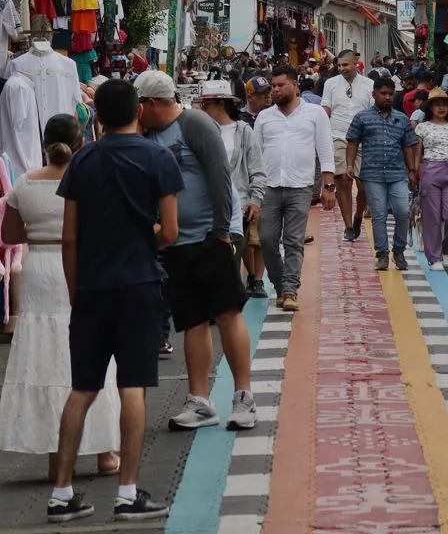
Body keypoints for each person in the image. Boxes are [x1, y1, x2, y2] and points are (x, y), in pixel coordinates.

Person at [48, 79, 179, 522]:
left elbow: (68, 238)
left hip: (90, 289)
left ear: (96, 117)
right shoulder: (158, 158)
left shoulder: (82, 160)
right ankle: (127, 493)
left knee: (82, 388)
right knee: (133, 387)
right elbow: (171, 231)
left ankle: (62, 493)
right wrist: (146, 243)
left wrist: (74, 288)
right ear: (139, 111)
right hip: (139, 286)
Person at [132, 71, 259, 432]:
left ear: (152, 103)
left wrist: (222, 231)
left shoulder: (195, 123)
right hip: (175, 239)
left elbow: (219, 174)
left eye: (140, 106)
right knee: (191, 319)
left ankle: (244, 396)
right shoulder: (148, 133)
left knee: (227, 311)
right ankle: (199, 401)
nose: (137, 113)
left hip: (210, 233)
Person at [0, 115, 120, 480]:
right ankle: (104, 452)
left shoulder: (24, 184)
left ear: (45, 143)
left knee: (46, 357)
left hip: (41, 272)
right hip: (83, 268)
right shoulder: (93, 181)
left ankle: (56, 455)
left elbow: (11, 235)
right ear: (81, 143)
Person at [253, 65, 334, 311]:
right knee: (266, 240)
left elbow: (325, 149)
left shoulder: (315, 114)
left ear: (295, 86)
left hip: (301, 187)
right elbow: (255, 155)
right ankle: (279, 284)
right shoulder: (265, 117)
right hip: (269, 188)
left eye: (280, 86)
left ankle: (290, 290)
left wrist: (329, 186)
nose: (275, 91)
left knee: (293, 241)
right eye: (273, 87)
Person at [199, 80, 269, 299]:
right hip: (204, 208)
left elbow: (257, 168)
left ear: (221, 104)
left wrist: (255, 199)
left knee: (231, 257)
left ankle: (228, 304)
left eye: (207, 105)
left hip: (236, 207)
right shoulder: (200, 132)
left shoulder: (243, 131)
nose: (203, 110)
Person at [345, 77, 418, 270]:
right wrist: (350, 165)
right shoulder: (362, 117)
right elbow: (353, 142)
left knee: (402, 211)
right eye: (383, 93)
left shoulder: (402, 119)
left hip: (397, 174)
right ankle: (382, 254)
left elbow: (408, 146)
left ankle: (399, 251)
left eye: (390, 94)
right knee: (379, 215)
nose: (387, 97)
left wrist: (412, 171)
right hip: (372, 174)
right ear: (374, 94)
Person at [321, 51, 375, 242]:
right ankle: (348, 227)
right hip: (338, 136)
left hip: (363, 138)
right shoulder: (331, 84)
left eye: (346, 65)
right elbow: (325, 109)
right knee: (343, 180)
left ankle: (358, 215)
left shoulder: (369, 85)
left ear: (356, 63)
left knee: (365, 185)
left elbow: (374, 111)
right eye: (340, 65)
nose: (342, 68)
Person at [415, 89, 448, 271]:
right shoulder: (422, 128)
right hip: (430, 171)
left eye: (444, 104)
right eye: (437, 104)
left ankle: (447, 249)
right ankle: (434, 257)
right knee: (432, 217)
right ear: (430, 108)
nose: (441, 108)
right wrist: (415, 174)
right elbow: (417, 155)